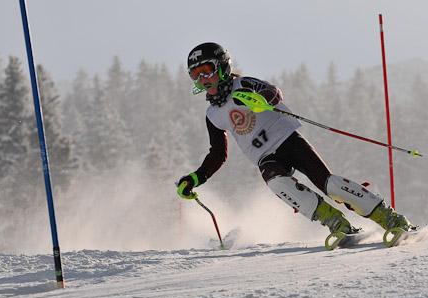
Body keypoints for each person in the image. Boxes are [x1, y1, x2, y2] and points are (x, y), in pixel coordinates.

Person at [177, 42, 413, 238]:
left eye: (207, 70)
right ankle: (339, 225)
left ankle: (390, 218)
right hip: (265, 157)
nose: (203, 79)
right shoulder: (212, 115)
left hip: (289, 141)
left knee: (329, 185)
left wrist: (258, 100)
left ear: (223, 67)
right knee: (277, 183)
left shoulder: (243, 85)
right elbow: (218, 154)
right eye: (195, 75)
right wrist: (195, 178)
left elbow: (274, 93)